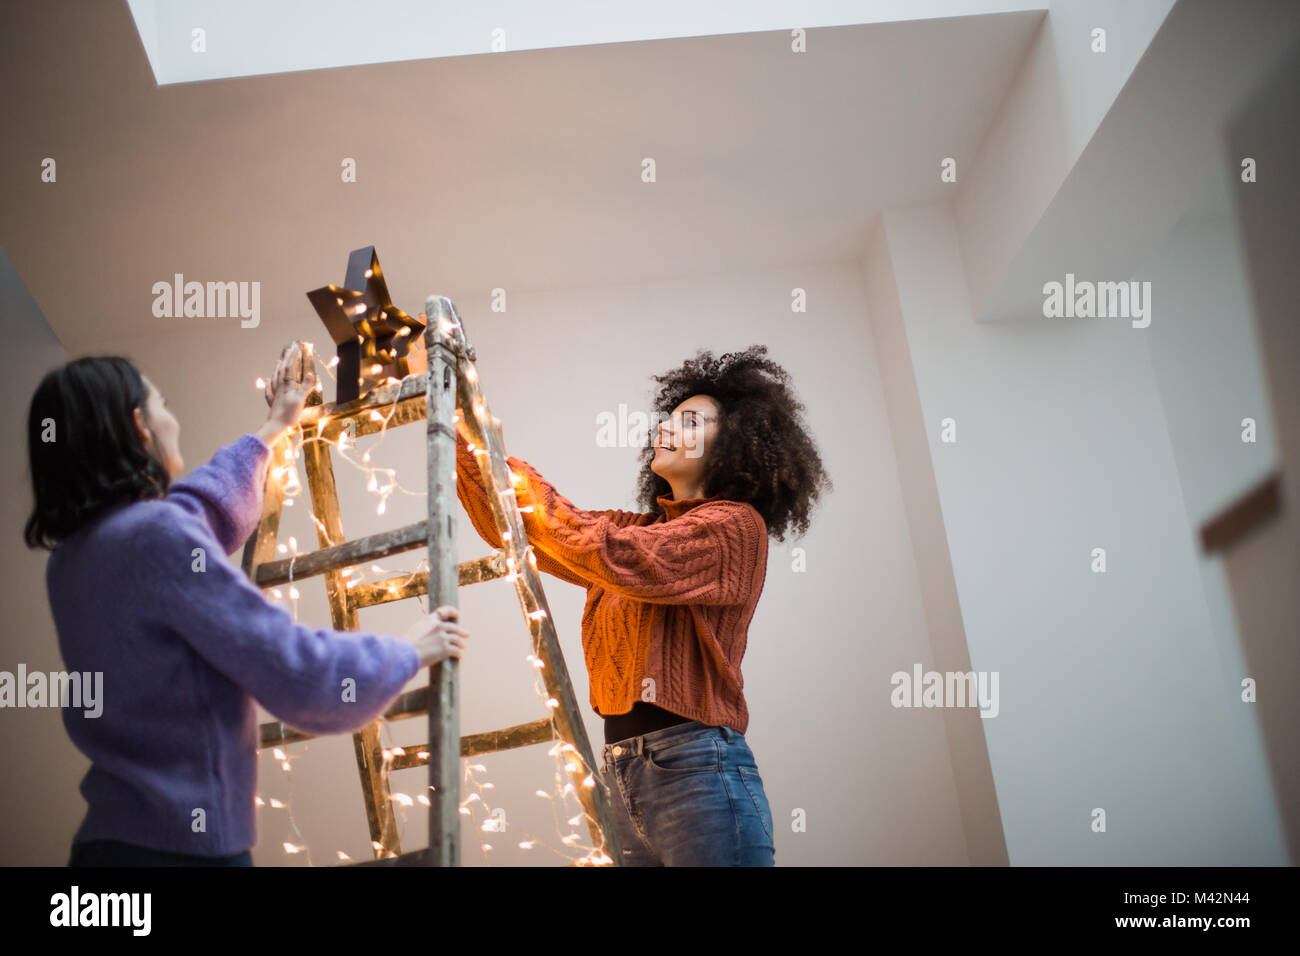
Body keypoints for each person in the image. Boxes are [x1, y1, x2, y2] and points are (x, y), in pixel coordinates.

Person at [24, 344, 468, 867]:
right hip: (183, 856)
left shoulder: (74, 560)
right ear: (139, 427)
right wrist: (407, 651)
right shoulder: (157, 539)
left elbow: (195, 512)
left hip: (103, 849)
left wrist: (276, 425)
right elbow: (298, 674)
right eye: (162, 404)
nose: (173, 420)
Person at [451, 343, 830, 866]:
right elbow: (510, 525)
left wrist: (516, 479)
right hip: (621, 774)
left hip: (699, 771)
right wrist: (456, 407)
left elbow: (611, 552)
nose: (664, 429)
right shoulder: (637, 530)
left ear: (734, 446)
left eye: (690, 422)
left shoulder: (735, 527)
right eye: (667, 419)